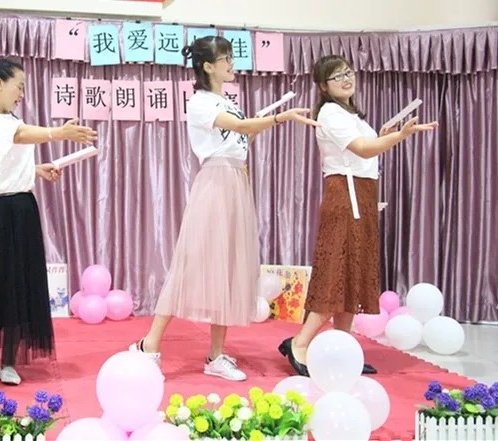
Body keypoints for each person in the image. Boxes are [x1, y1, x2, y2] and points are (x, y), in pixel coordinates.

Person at [130, 36, 319, 381]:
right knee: (190, 263)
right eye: (225, 58)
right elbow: (240, 129)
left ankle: (216, 355)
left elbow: (241, 138)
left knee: (228, 267)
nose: (232, 63)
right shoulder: (200, 102)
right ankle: (149, 344)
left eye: (231, 57)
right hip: (215, 182)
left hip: (236, 180)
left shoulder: (226, 102)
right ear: (208, 66)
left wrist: (258, 126)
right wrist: (280, 118)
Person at [278, 55, 438, 376]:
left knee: (353, 274)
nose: (346, 79)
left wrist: (385, 134)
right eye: (336, 76)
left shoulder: (351, 114)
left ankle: (342, 351)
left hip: (362, 194)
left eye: (348, 72)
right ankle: (300, 343)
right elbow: (363, 149)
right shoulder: (330, 112)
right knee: (337, 274)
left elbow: (367, 147)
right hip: (344, 195)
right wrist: (400, 135)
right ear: (323, 86)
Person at [0, 57, 97, 387]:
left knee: (17, 286)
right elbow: (17, 137)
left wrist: (36, 170)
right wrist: (59, 132)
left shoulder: (12, 119)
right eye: (19, 87)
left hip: (21, 209)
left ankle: (8, 363)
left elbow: (7, 160)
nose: (21, 94)